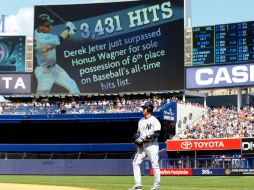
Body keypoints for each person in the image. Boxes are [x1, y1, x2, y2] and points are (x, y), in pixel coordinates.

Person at [34, 13, 80, 95]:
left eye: (50, 24)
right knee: (41, 99)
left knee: (72, 85)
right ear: (40, 26)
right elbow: (61, 38)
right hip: (44, 72)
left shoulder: (38, 33)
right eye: (47, 25)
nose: (50, 26)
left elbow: (59, 39)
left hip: (55, 68)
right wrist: (68, 28)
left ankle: (80, 105)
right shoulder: (42, 39)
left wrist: (69, 33)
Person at [129, 102, 161, 190]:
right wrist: (137, 139)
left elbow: (157, 134)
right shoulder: (141, 121)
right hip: (142, 146)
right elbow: (138, 133)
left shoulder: (154, 120)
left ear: (149, 109)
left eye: (144, 108)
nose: (143, 109)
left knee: (155, 165)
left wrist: (146, 138)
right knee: (135, 163)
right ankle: (138, 185)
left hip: (152, 145)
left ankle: (156, 187)